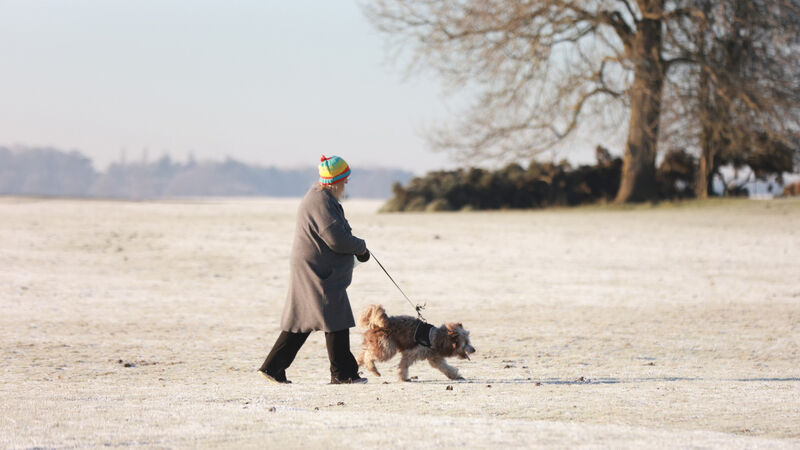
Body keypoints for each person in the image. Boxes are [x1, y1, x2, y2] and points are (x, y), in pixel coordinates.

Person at [259, 155, 370, 385]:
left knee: (304, 318)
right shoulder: (321, 201)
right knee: (336, 316)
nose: (346, 183)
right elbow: (336, 239)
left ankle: (273, 368)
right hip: (318, 270)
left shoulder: (321, 197)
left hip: (314, 266)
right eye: (344, 179)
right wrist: (361, 247)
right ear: (335, 181)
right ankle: (344, 374)